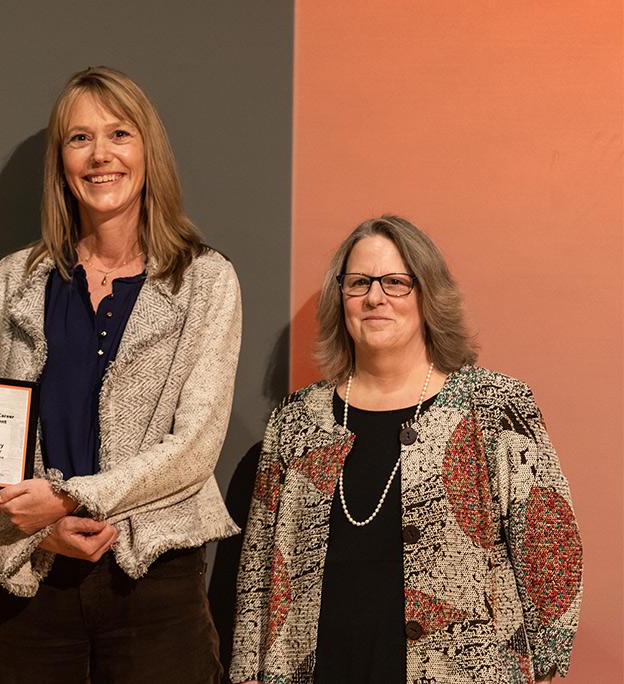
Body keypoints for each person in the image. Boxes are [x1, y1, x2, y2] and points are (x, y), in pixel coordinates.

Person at [0, 66, 242, 682]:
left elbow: (195, 445)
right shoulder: (13, 281)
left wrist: (71, 498)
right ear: (60, 161)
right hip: (32, 579)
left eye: (119, 134)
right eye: (79, 138)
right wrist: (36, 532)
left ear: (148, 152)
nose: (100, 155)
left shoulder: (205, 279)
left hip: (154, 581)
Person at [230, 215, 582, 684]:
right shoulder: (295, 422)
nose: (375, 297)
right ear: (342, 297)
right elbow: (258, 565)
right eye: (359, 283)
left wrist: (544, 664)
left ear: (426, 294)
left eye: (395, 282)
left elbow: (550, 542)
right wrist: (248, 670)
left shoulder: (493, 409)